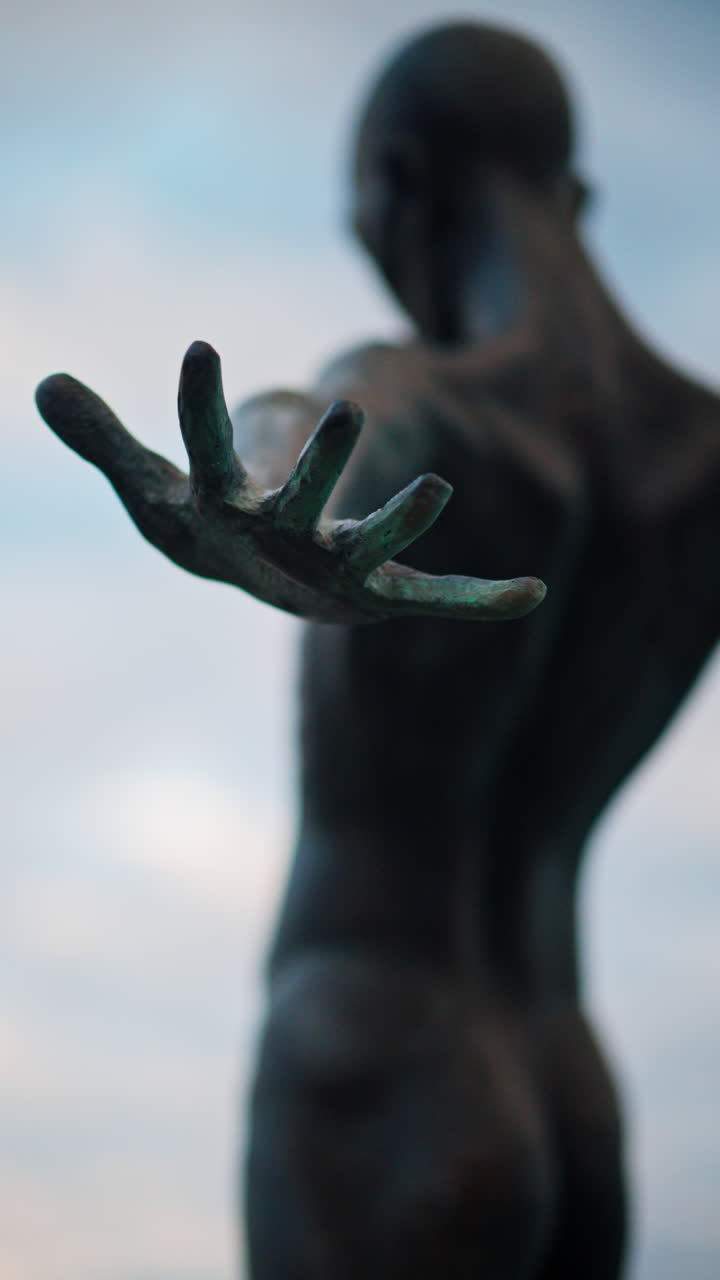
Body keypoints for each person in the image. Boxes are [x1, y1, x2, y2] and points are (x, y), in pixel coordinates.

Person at [36, 21, 720, 1280]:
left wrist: (251, 481)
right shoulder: (706, 461)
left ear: (399, 185)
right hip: (568, 1071)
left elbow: (327, 427)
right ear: (575, 195)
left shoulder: (420, 390)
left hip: (379, 1050)